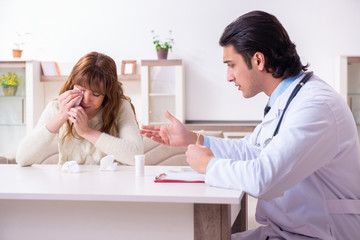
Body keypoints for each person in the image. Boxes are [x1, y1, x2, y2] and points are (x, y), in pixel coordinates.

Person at [140, 11, 360, 240]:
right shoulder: (288, 100)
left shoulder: (315, 106)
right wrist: (194, 138)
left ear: (258, 60)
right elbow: (250, 151)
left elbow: (264, 178)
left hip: (322, 235)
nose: (228, 77)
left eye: (231, 65)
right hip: (288, 231)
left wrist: (209, 165)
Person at [17, 52, 143, 166]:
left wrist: (87, 132)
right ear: (72, 84)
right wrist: (60, 116)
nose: (86, 100)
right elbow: (22, 159)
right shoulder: (56, 107)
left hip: (112, 187)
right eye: (81, 90)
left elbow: (136, 156)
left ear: (107, 94)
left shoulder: (120, 107)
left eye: (96, 94)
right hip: (69, 186)